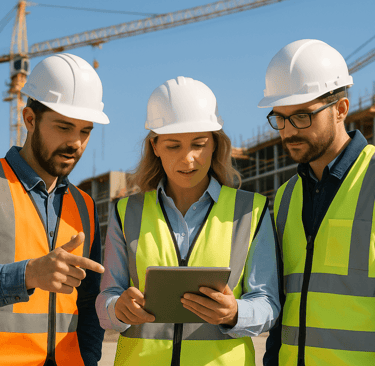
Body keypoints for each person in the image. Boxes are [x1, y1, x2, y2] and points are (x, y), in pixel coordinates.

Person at [96, 76, 280, 365]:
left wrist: (235, 314)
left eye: (199, 144)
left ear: (215, 145)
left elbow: (267, 303)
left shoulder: (251, 211)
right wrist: (117, 309)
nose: (188, 159)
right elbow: (107, 295)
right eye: (173, 146)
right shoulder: (125, 212)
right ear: (154, 146)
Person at [258, 39, 375, 366]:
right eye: (279, 118)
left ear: (340, 109)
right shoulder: (284, 198)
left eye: (302, 117)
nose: (287, 132)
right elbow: (282, 309)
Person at [0, 53, 109, 366]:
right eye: (64, 127)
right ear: (30, 119)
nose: (75, 142)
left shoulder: (84, 205)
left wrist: (87, 360)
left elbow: (90, 302)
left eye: (85, 131)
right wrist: (28, 275)